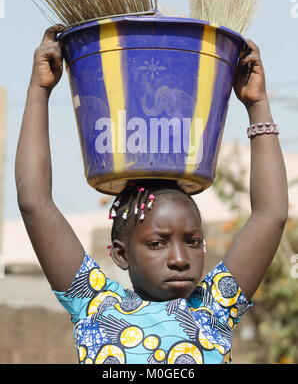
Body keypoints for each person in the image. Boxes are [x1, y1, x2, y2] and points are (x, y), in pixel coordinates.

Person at [15, 24, 288, 365]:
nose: (179, 258)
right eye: (157, 243)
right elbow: (34, 202)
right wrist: (39, 90)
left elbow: (270, 215)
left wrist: (257, 103)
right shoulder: (95, 303)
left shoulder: (216, 306)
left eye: (192, 241)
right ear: (120, 253)